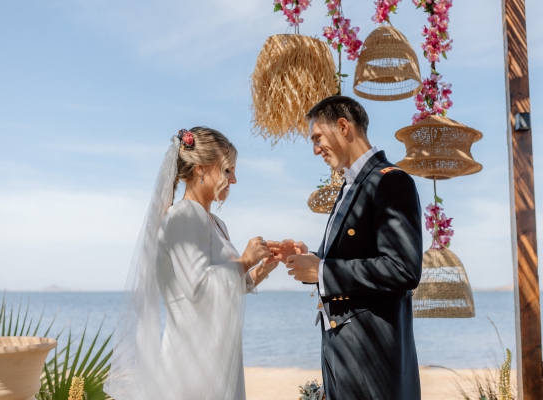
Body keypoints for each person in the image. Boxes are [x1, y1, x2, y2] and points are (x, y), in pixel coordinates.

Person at [105, 127, 280, 400]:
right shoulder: (184, 215)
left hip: (216, 354)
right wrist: (245, 260)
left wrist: (260, 270)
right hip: (193, 362)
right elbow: (197, 288)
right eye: (227, 171)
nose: (234, 180)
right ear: (200, 169)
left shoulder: (215, 222)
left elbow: (222, 284)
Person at [274, 95, 424, 399]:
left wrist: (322, 270)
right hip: (339, 352)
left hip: (372, 358)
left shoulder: (391, 182)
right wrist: (309, 260)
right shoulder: (348, 188)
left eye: (317, 138)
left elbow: (403, 269)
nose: (315, 149)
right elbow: (345, 260)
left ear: (343, 126)